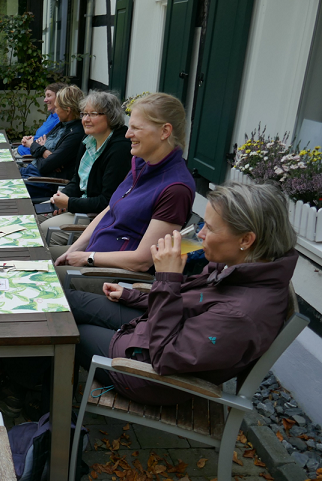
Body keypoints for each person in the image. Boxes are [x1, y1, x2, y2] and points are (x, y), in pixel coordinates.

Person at [69, 182, 298, 405]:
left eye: (210, 228)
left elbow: (164, 357)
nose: (200, 234)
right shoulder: (242, 268)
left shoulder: (241, 314)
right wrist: (134, 296)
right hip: (158, 330)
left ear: (246, 240)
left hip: (148, 374)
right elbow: (193, 302)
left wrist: (166, 279)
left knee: (69, 333)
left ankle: (56, 416)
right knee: (71, 302)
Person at [53, 92, 196, 274]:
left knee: (40, 273)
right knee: (36, 255)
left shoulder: (175, 188)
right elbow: (110, 208)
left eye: (136, 128)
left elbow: (142, 261)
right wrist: (75, 248)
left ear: (165, 131)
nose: (128, 134)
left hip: (114, 276)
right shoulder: (141, 163)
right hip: (94, 254)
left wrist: (87, 258)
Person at [39, 90, 132, 244]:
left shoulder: (120, 150)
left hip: (96, 218)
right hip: (78, 205)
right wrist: (63, 196)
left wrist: (69, 203)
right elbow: (77, 180)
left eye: (93, 114)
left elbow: (108, 201)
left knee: (42, 231)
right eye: (84, 114)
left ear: (111, 116)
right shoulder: (88, 140)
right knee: (33, 215)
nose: (86, 119)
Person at [19, 85, 85, 198]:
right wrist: (44, 152)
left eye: (57, 108)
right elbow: (40, 145)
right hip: (31, 171)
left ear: (68, 110)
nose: (56, 112)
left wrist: (41, 150)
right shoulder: (62, 125)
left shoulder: (75, 134)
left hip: (42, 182)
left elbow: (44, 166)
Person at [15, 82, 66, 157]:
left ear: (59, 98)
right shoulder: (52, 116)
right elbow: (41, 138)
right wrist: (29, 139)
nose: (45, 100)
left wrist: (31, 144)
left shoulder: (60, 120)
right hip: (21, 151)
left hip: (25, 158)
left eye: (49, 96)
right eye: (45, 96)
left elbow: (48, 148)